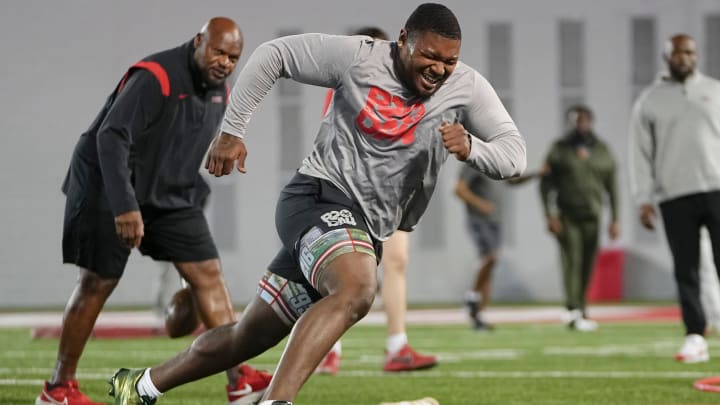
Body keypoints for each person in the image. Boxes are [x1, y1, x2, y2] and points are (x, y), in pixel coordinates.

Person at [109, 4, 526, 405]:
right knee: (357, 288)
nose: (439, 69)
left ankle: (140, 386)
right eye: (430, 56)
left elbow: (514, 155)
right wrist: (232, 130)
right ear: (403, 40)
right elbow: (276, 54)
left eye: (449, 61)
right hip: (317, 196)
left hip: (364, 227)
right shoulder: (358, 58)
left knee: (248, 337)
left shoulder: (465, 86)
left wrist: (472, 147)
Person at [37, 18, 271, 405]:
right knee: (98, 281)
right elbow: (110, 137)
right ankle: (58, 390)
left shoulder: (219, 93)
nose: (225, 63)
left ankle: (239, 379)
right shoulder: (156, 76)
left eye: (233, 57)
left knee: (208, 273)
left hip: (167, 192)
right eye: (218, 51)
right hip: (107, 185)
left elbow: (183, 153)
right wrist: (125, 206)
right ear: (198, 41)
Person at [314, 26, 436, 376]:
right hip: (350, 188)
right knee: (340, 271)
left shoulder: (405, 85)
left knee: (396, 261)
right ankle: (327, 348)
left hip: (393, 189)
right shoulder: (344, 82)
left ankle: (397, 346)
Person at [629, 33, 720, 363]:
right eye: (677, 52)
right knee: (687, 269)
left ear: (696, 55)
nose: (684, 57)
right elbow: (639, 153)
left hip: (717, 190)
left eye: (689, 52)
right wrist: (643, 197)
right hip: (674, 195)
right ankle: (695, 336)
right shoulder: (649, 100)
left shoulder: (715, 91)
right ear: (666, 57)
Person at [540, 105, 619, 332]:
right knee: (572, 261)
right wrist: (549, 214)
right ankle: (573, 308)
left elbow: (612, 187)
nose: (580, 125)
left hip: (593, 215)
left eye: (584, 120)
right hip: (568, 216)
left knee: (587, 264)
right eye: (576, 120)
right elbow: (545, 185)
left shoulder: (602, 149)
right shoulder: (559, 149)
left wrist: (615, 218)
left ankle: (582, 308)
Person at [455, 165, 545, 331]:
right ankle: (472, 296)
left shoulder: (495, 163)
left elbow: (513, 180)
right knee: (491, 257)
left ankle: (478, 316)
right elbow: (459, 189)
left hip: (495, 221)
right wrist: (480, 203)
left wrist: (537, 173)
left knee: (490, 266)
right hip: (479, 220)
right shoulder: (474, 163)